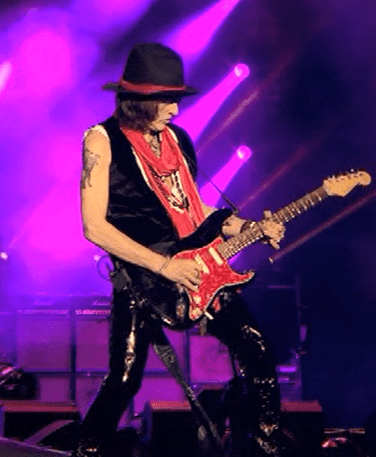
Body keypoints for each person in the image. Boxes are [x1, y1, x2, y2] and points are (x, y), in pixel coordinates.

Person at [75, 42, 290, 457]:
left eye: (177, 100)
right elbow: (93, 226)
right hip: (143, 278)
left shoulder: (178, 139)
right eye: (167, 101)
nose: (175, 110)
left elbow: (194, 207)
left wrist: (247, 227)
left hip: (199, 267)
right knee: (124, 380)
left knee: (257, 348)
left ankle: (267, 449)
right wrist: (164, 266)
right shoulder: (101, 140)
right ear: (140, 99)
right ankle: (85, 451)